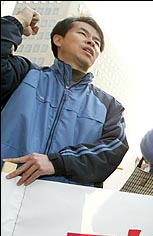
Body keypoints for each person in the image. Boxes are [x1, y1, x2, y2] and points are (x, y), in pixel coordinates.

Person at [1, 7, 128, 188]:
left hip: (62, 206)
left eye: (97, 42)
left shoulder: (110, 106)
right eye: (83, 34)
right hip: (6, 188)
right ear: (58, 39)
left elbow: (113, 149)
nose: (91, 42)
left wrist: (57, 163)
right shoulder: (24, 74)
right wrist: (19, 21)